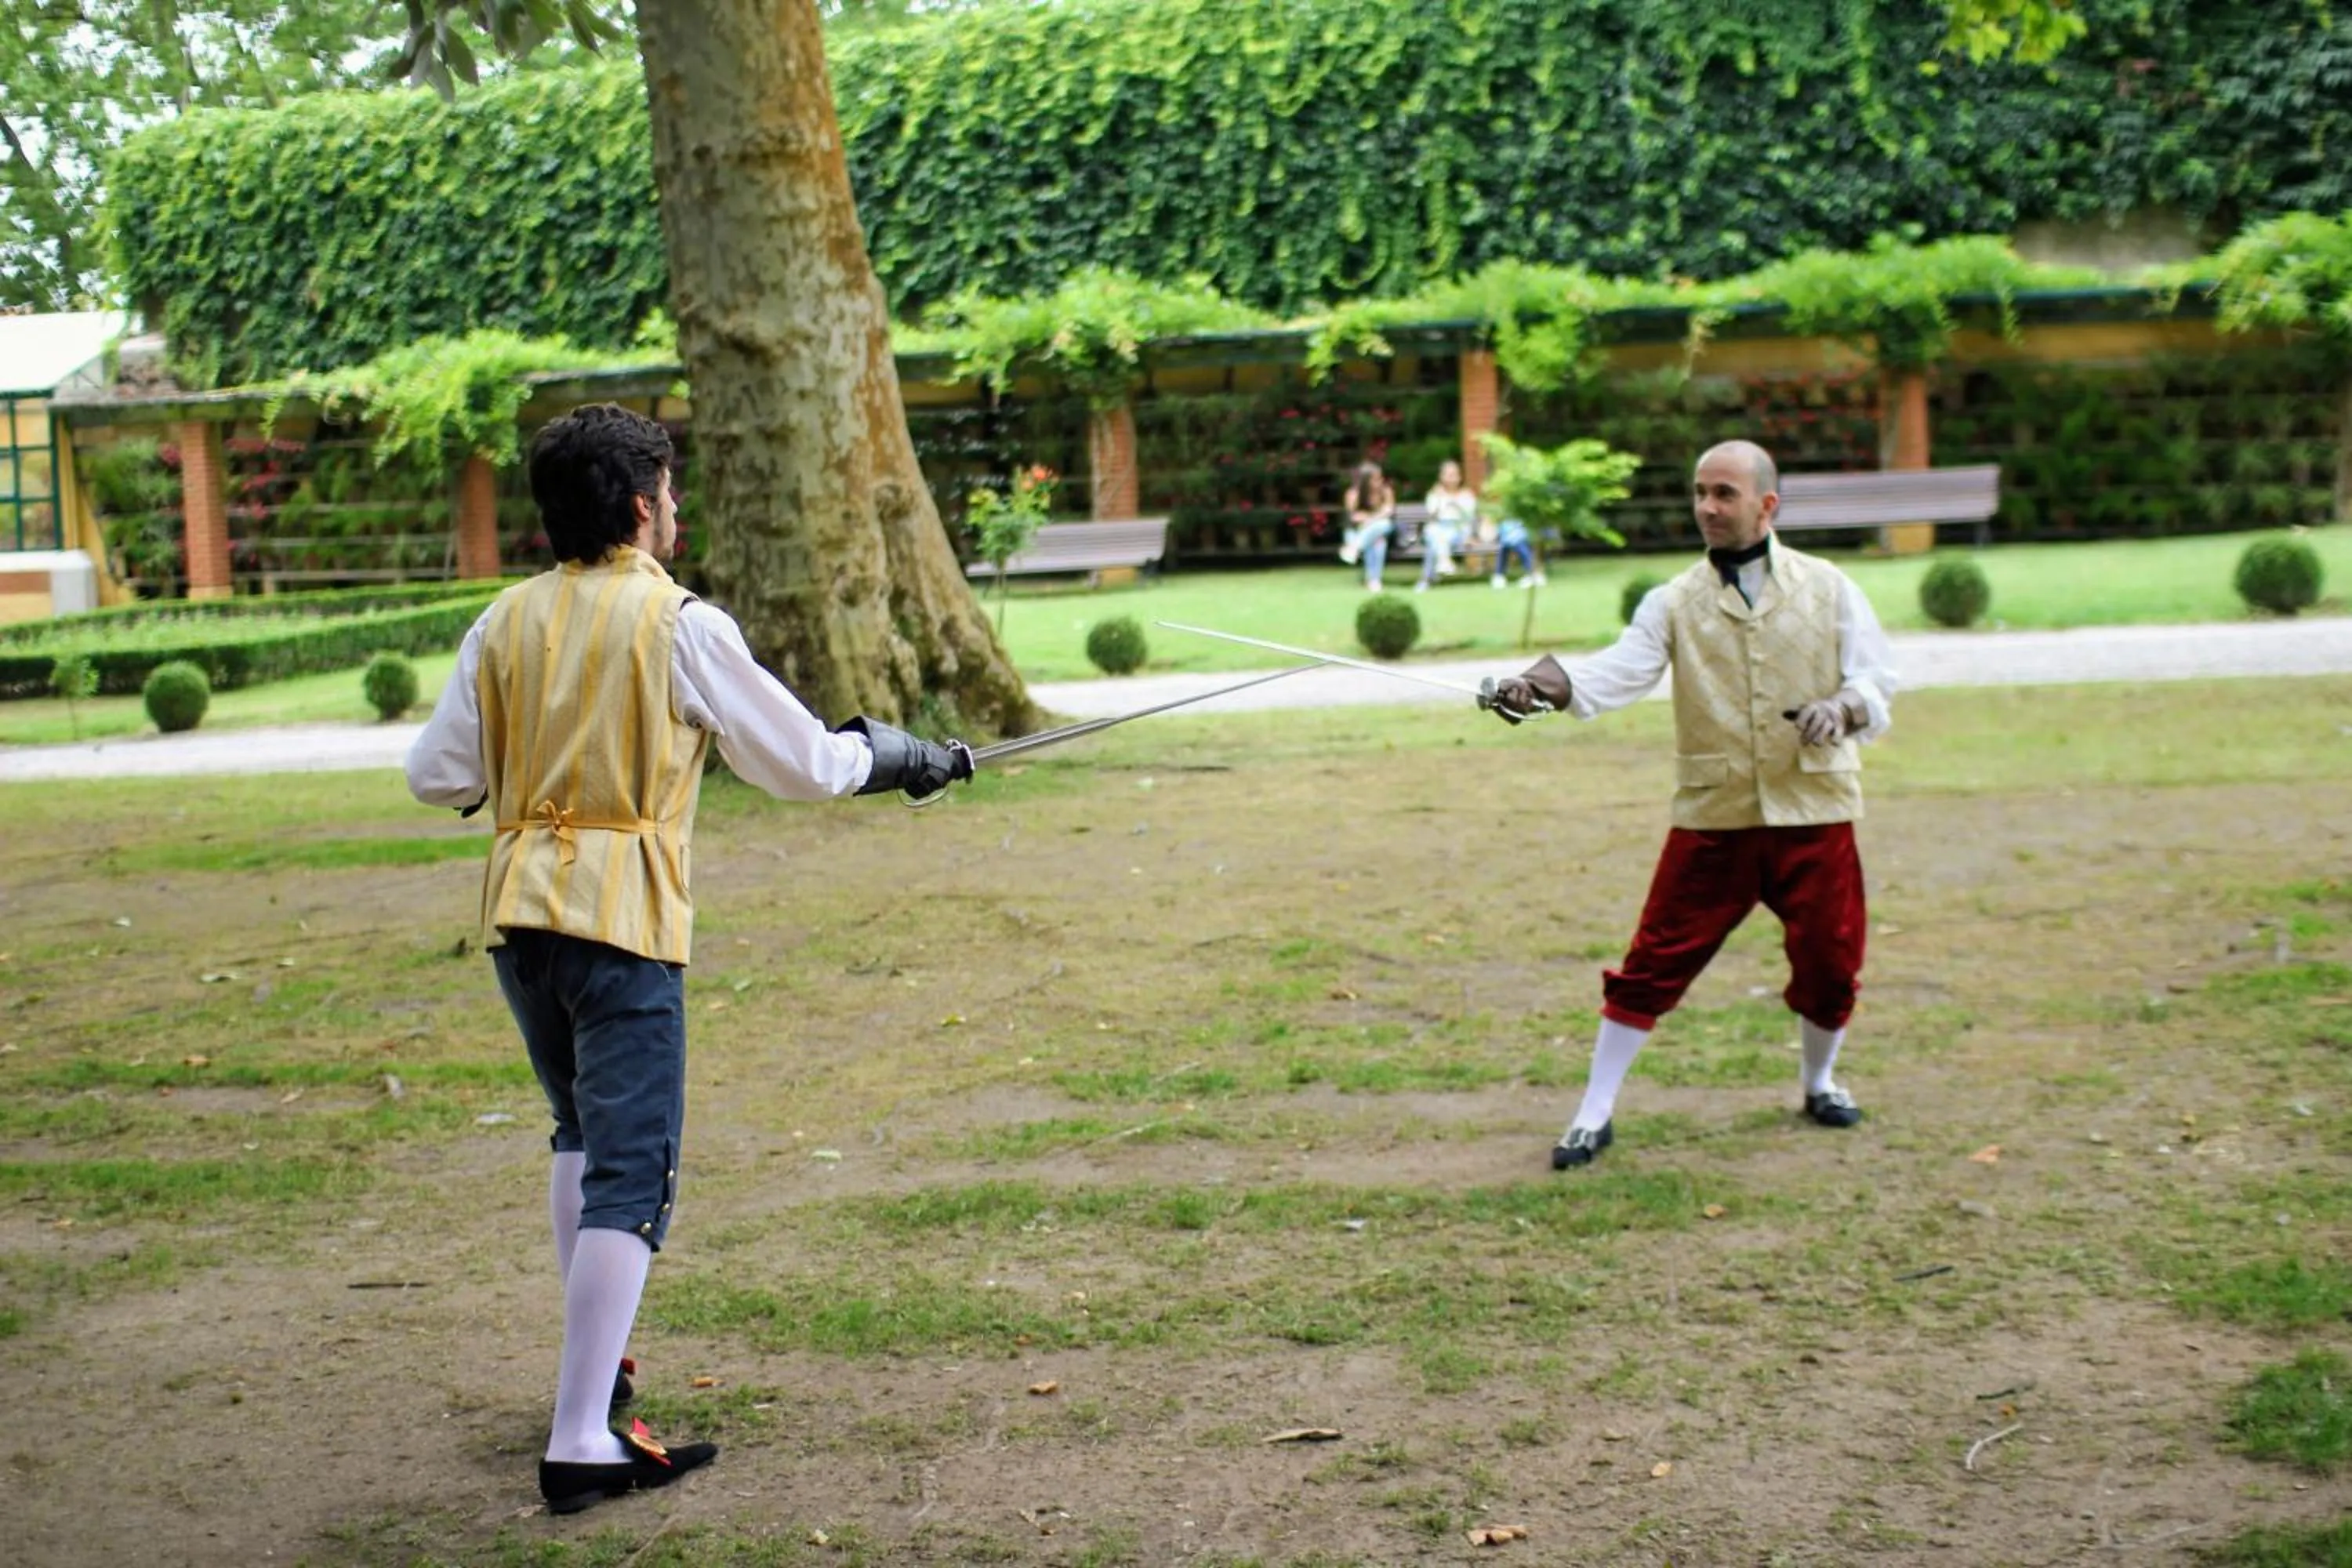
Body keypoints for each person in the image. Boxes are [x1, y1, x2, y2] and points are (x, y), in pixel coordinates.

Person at [403, 403, 971, 1513]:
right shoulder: (678, 623)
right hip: (621, 925)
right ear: (638, 506)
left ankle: (599, 1381)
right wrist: (908, 759)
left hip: (521, 923)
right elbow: (805, 763)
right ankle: (581, 1435)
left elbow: (437, 775)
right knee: (632, 1170)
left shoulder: (502, 621)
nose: (676, 509)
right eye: (667, 491)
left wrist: (518, 779)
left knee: (579, 1135)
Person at [1486, 440, 1896, 1171]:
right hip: (1715, 817)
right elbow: (1614, 675)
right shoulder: (1672, 601)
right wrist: (1539, 689)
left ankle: (1819, 1083)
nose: (1707, 506)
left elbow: (1877, 681)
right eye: (1700, 492)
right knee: (1652, 963)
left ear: (1767, 504)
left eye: (1724, 493)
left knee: (1832, 963)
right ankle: (1592, 1113)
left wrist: (1843, 708)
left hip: (1815, 809)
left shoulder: (1831, 587)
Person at [1415, 459, 1479, 591]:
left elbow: (1469, 517)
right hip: (1438, 528)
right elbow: (1432, 515)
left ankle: (1426, 579)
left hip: (1458, 530)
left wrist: (1453, 501)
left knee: (1434, 543)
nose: (1451, 479)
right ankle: (1443, 562)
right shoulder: (1434, 494)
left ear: (1460, 477)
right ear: (1441, 477)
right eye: (1448, 475)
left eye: (1454, 475)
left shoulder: (1466, 495)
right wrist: (1440, 500)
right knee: (1434, 533)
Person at [1337, 460, 1396, 591]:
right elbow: (1353, 518)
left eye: (1380, 478)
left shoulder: (1386, 491)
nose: (1380, 482)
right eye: (1376, 479)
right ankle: (1374, 580)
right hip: (1355, 532)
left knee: (1383, 527)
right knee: (1376, 540)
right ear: (1365, 480)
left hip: (1379, 533)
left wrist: (1370, 519)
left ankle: (1354, 549)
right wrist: (1375, 517)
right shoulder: (1353, 494)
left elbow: (1389, 512)